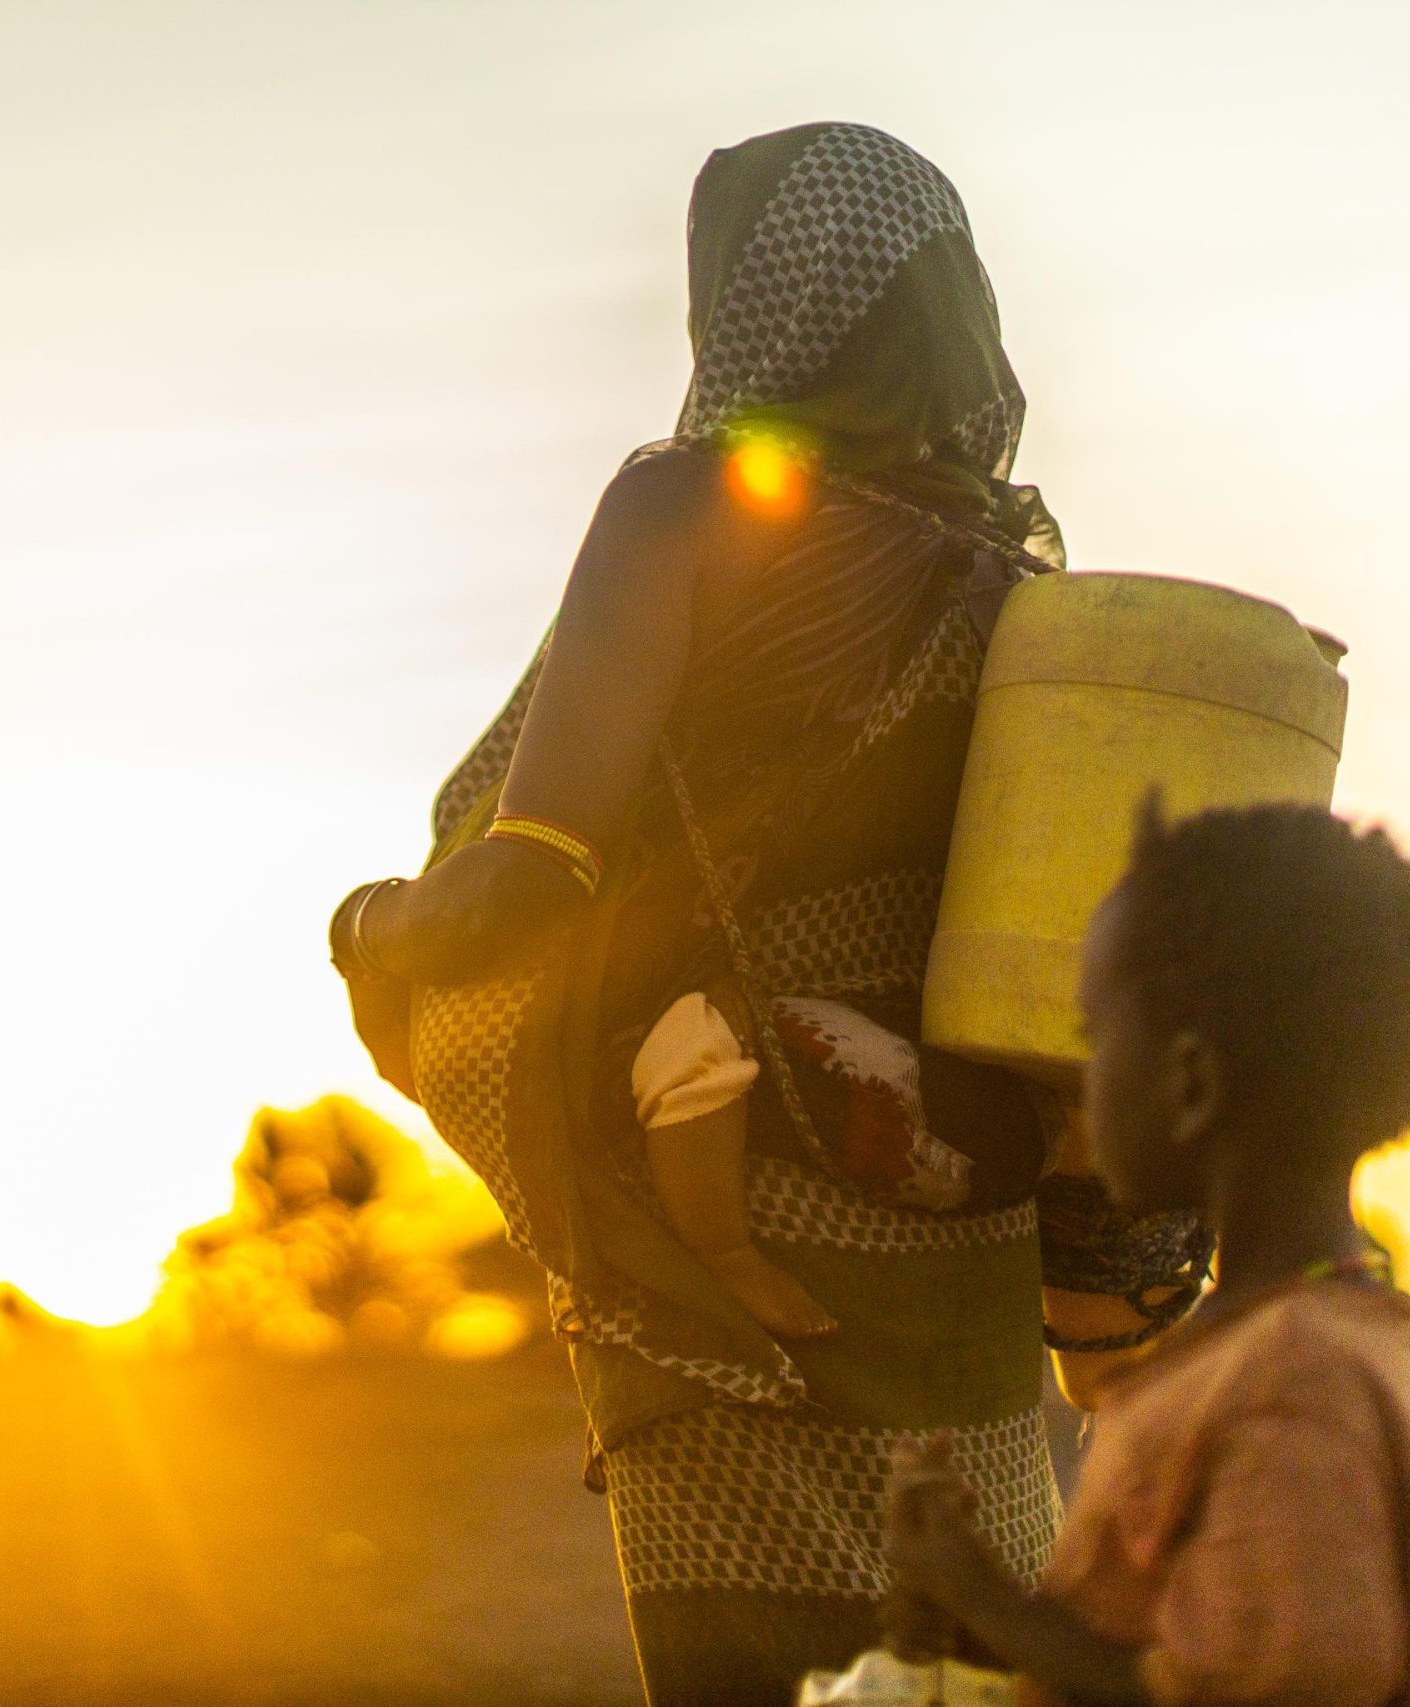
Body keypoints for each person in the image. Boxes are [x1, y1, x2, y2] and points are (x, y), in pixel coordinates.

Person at [329, 122, 1208, 1704]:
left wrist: (370, 927)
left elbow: (527, 878)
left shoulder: (687, 509)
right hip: (964, 1288)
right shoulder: (1018, 597)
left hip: (720, 1294)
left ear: (744, 308)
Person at [881, 801, 1410, 1706]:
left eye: (1096, 1037)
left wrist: (981, 1593)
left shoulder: (1296, 1383)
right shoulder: (1273, 1345)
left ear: (1188, 1083)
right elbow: (1183, 1644)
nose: (1085, 1075)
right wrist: (986, 1626)